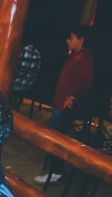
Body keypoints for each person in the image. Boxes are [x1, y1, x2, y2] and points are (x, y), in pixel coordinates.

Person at [34, 25, 95, 185]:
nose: (67, 40)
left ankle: (57, 173)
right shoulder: (74, 55)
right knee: (54, 136)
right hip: (60, 101)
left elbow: (86, 81)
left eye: (71, 37)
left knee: (54, 138)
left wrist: (73, 95)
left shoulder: (85, 57)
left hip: (65, 105)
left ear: (81, 40)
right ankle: (56, 170)